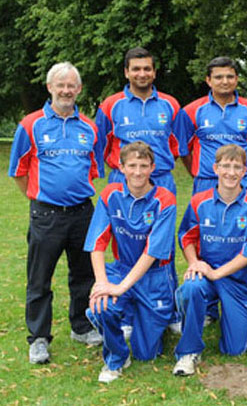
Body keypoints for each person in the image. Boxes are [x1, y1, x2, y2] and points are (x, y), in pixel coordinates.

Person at [8, 61, 104, 364]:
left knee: (84, 275)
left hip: (82, 214)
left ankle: (82, 327)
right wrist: (40, 200)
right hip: (46, 216)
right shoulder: (30, 124)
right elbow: (19, 172)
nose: (66, 91)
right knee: (39, 280)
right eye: (60, 85)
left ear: (78, 89)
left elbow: (93, 169)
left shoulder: (89, 127)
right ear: (49, 87)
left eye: (71, 86)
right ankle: (38, 338)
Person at [96, 47, 186, 334]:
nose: (142, 74)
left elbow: (177, 145)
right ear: (126, 72)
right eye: (136, 69)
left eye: (147, 68)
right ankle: (125, 307)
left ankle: (169, 310)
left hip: (160, 180)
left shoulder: (170, 104)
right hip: (122, 179)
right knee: (124, 243)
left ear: (154, 72)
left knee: (163, 248)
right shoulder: (111, 105)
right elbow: (101, 146)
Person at [172, 144, 247, 376]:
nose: (231, 172)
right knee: (191, 288)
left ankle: (236, 315)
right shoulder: (199, 201)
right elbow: (186, 236)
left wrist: (217, 273)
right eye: (225, 166)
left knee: (234, 350)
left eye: (237, 167)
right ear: (215, 168)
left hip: (239, 281)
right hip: (206, 276)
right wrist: (194, 262)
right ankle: (188, 352)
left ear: (245, 171)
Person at [85, 141, 177, 383]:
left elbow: (151, 252)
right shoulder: (110, 195)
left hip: (154, 276)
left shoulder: (165, 199)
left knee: (147, 354)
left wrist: (120, 288)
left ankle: (141, 317)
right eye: (132, 165)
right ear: (121, 167)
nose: (138, 172)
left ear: (152, 168)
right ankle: (116, 357)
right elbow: (97, 243)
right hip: (121, 268)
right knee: (99, 306)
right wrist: (103, 283)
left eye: (144, 166)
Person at [182, 56, 247, 194]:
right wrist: (199, 172)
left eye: (230, 77)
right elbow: (184, 151)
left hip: (243, 181)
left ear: (236, 79)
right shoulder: (192, 111)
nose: (225, 81)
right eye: (218, 77)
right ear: (208, 80)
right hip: (207, 181)